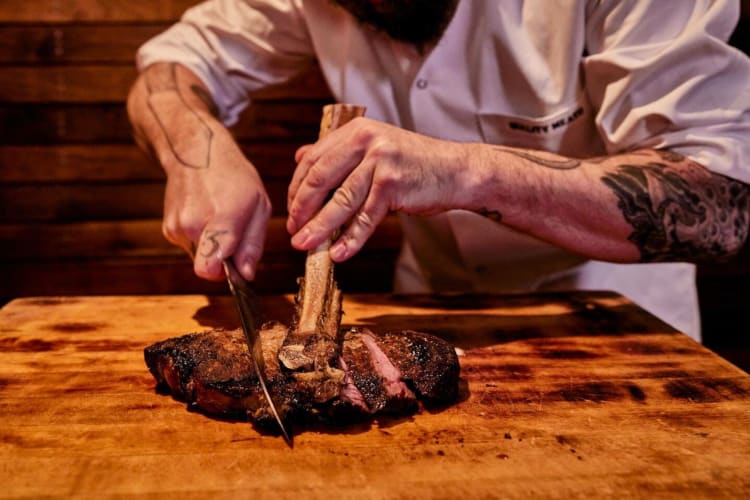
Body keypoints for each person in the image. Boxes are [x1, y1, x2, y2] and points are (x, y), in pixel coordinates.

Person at [127, 0, 750, 342]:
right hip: (428, 313)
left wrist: (467, 171)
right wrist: (197, 149)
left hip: (617, 326)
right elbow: (173, 66)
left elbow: (721, 198)